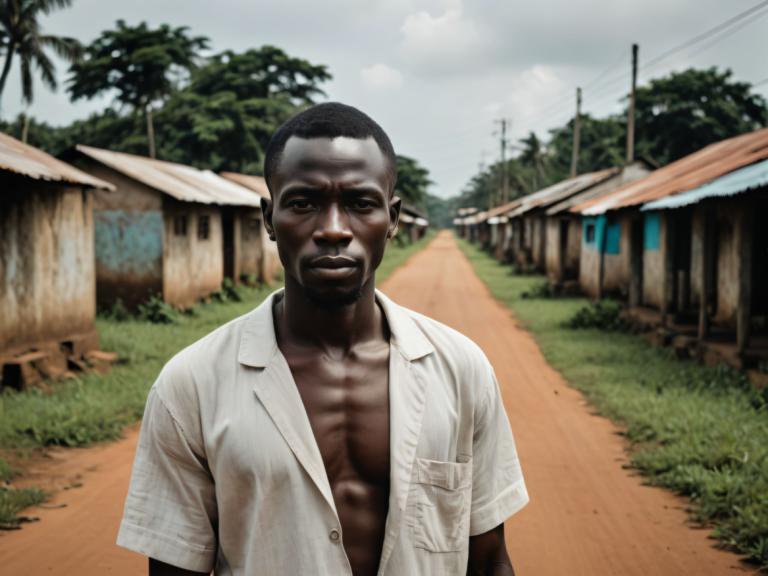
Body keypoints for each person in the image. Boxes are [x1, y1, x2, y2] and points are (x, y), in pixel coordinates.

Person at [117, 102, 528, 576]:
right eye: (303, 203)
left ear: (392, 218)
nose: (333, 230)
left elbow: (491, 559)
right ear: (270, 218)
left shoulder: (462, 370)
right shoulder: (190, 386)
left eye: (360, 204)